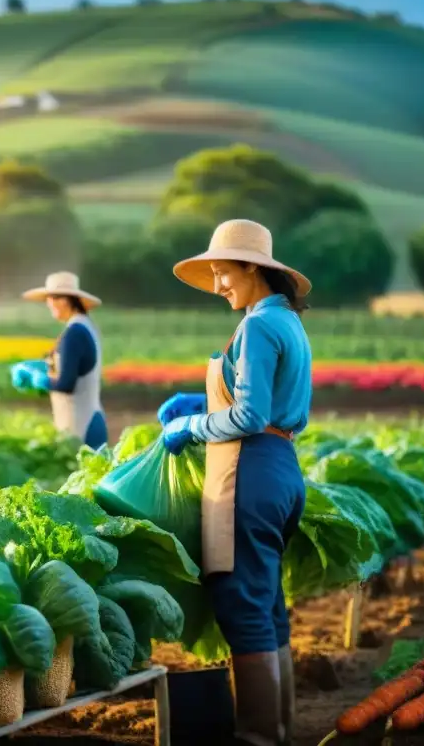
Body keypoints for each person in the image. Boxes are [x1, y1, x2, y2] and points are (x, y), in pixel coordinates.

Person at [156, 219, 312, 746]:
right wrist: (201, 403)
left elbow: (248, 416)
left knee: (243, 605)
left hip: (250, 472)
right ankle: (282, 728)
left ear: (254, 269)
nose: (218, 284)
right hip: (282, 470)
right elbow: (271, 407)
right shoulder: (285, 321)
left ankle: (259, 736)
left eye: (224, 273)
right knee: (266, 605)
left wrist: (191, 426)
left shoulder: (258, 327)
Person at [10, 271, 108, 450]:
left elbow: (66, 384)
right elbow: (73, 367)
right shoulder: (84, 326)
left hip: (80, 426)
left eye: (51, 298)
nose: (48, 304)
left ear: (65, 300)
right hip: (89, 418)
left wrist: (37, 380)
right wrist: (41, 367)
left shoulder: (74, 334)